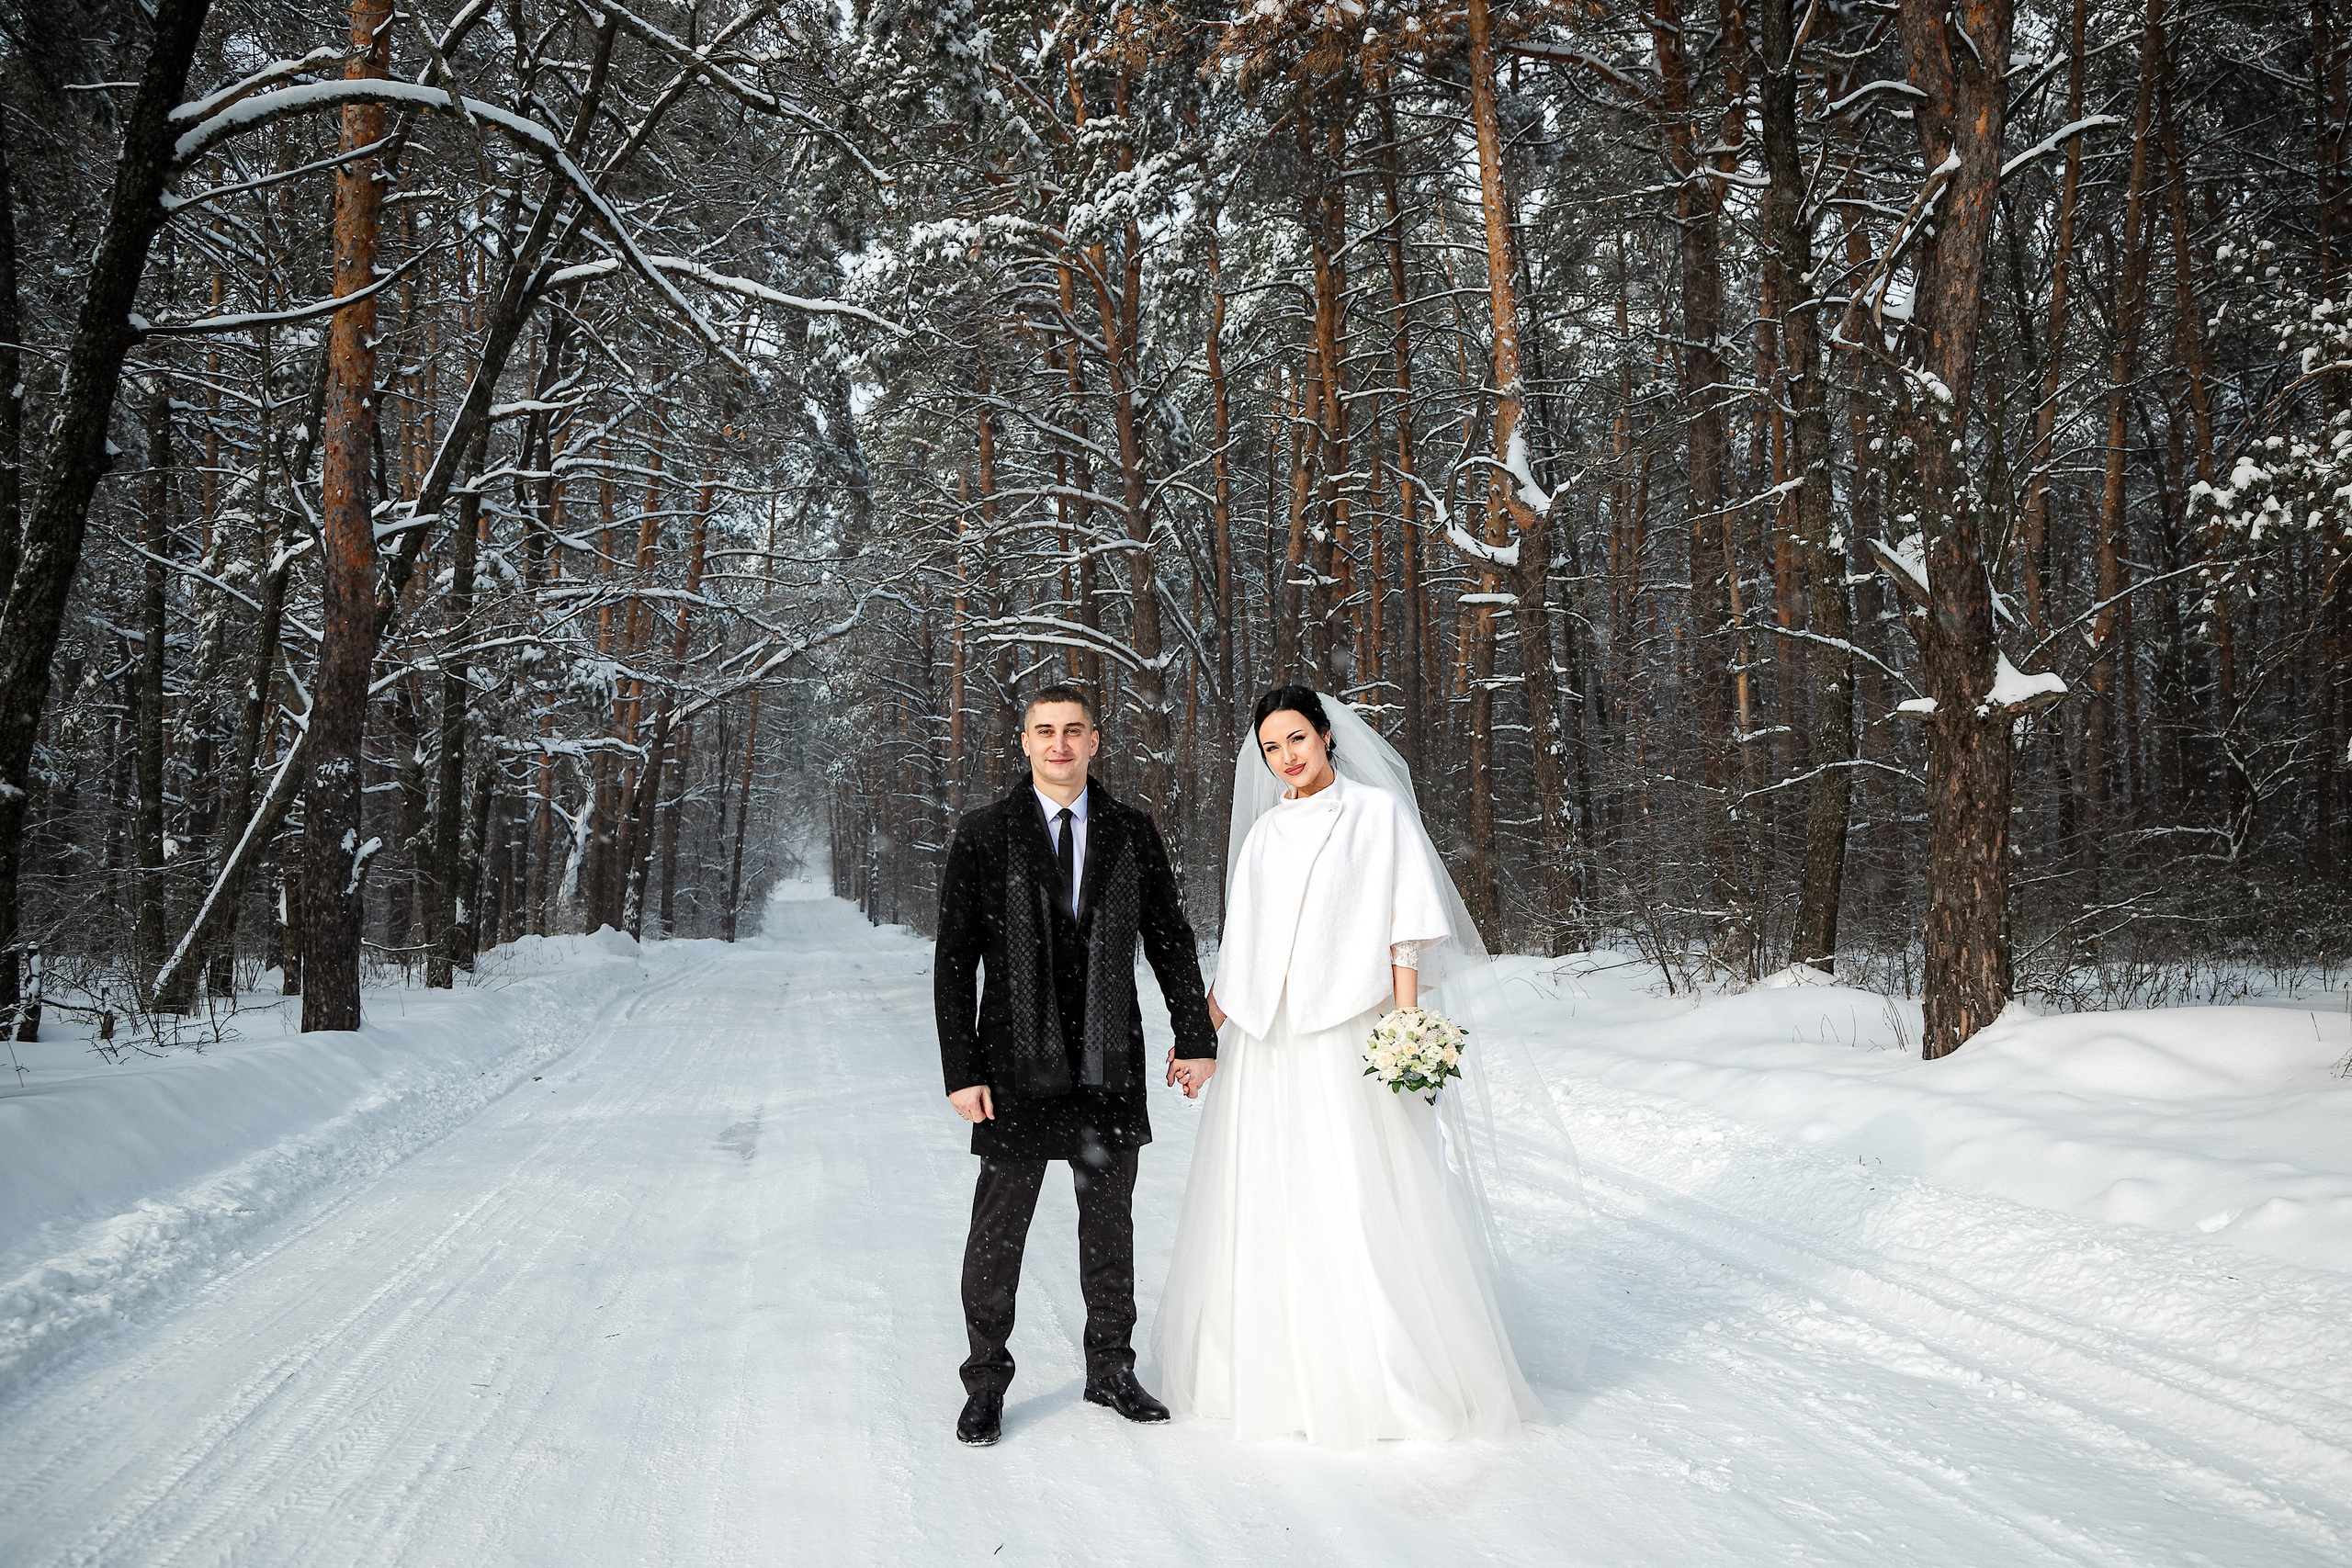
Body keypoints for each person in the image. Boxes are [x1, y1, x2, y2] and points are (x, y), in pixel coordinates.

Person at [1153, 686, 1544, 1447]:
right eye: (1271, 747)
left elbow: (1404, 930)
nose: (1286, 757)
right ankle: (1275, 1370)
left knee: (1356, 1189)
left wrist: (1403, 1026)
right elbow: (1246, 950)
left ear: (1326, 736)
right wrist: (1201, 1034)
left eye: (1296, 738)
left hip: (1345, 1029)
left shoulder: (1377, 814)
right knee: (1273, 1194)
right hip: (1271, 1042)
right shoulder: (1265, 833)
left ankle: (1381, 1371)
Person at [933, 685, 1219, 1447]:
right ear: (1023, 742)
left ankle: (1110, 1369)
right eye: (1044, 731)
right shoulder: (984, 834)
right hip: (1014, 1069)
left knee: (1109, 1223)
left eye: (1073, 730)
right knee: (998, 1232)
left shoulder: (1132, 832)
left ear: (1096, 741)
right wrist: (961, 1069)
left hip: (1107, 1065)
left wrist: (1195, 1034)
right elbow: (955, 961)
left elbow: (1169, 939)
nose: (1059, 743)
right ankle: (985, 1380)